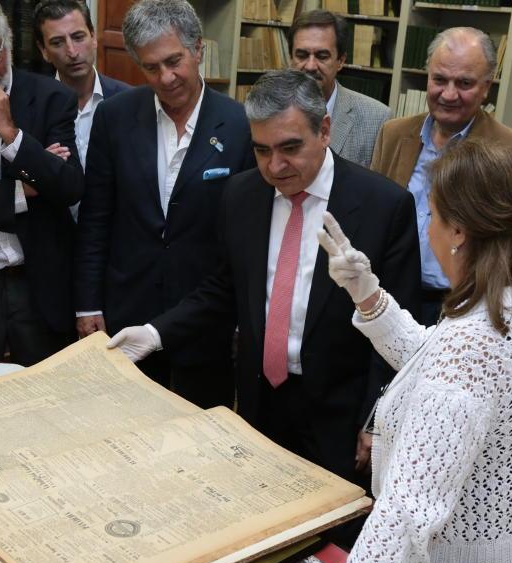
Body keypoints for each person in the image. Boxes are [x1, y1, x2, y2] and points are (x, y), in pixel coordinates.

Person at [312, 139, 512, 563]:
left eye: (431, 214)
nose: (427, 228)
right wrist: (367, 294)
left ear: (457, 230)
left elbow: (410, 508)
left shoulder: (475, 338)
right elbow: (433, 357)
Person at [107, 69, 421, 485]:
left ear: (324, 130)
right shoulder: (241, 195)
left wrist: (378, 416)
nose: (275, 166)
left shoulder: (384, 206)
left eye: (290, 148)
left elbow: (399, 326)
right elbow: (223, 290)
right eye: (261, 150)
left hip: (339, 414)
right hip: (259, 403)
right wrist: (155, 332)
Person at [74, 0, 254, 407]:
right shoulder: (115, 117)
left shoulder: (240, 126)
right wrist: (88, 304)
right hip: (126, 310)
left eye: (175, 61)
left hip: (205, 321)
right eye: (152, 67)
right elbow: (96, 219)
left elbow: (241, 243)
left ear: (198, 50)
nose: (167, 77)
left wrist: (241, 321)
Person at [371, 27, 512, 326]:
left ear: (486, 87)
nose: (448, 94)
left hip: (464, 306)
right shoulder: (394, 134)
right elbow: (374, 215)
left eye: (464, 83)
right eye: (439, 80)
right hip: (388, 296)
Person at [0, 0, 83, 365]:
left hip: (36, 284)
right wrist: (24, 190)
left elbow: (68, 187)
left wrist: (11, 134)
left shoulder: (51, 98)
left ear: (8, 43)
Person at [33, 0, 129, 171]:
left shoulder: (128, 100)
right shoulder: (31, 106)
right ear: (44, 51)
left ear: (93, 37)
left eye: (78, 37)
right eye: (57, 43)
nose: (72, 52)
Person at [288, 9, 391, 168]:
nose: (310, 66)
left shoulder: (376, 119)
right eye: (301, 55)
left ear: (341, 61)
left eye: (322, 56)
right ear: (290, 58)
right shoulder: (267, 112)